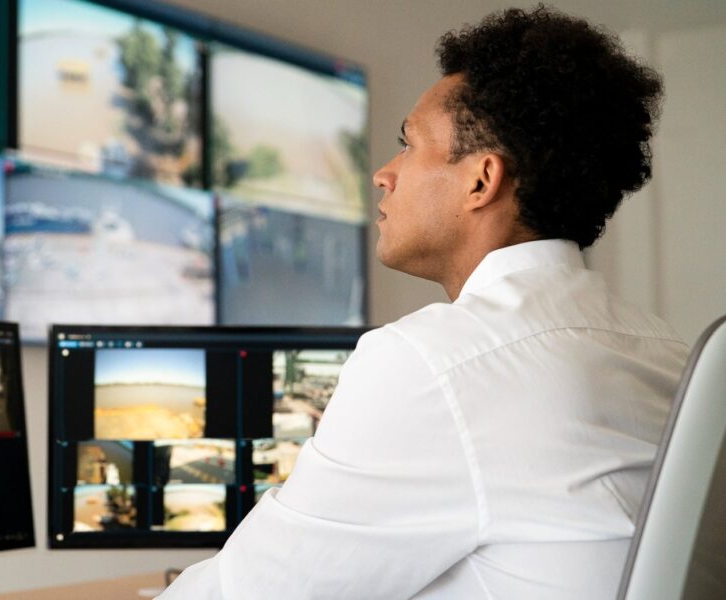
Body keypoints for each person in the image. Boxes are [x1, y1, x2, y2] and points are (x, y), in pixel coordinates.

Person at [160, 6, 689, 599]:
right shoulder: (668, 352)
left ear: (481, 181)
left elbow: (254, 592)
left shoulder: (435, 364)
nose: (384, 175)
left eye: (407, 145)